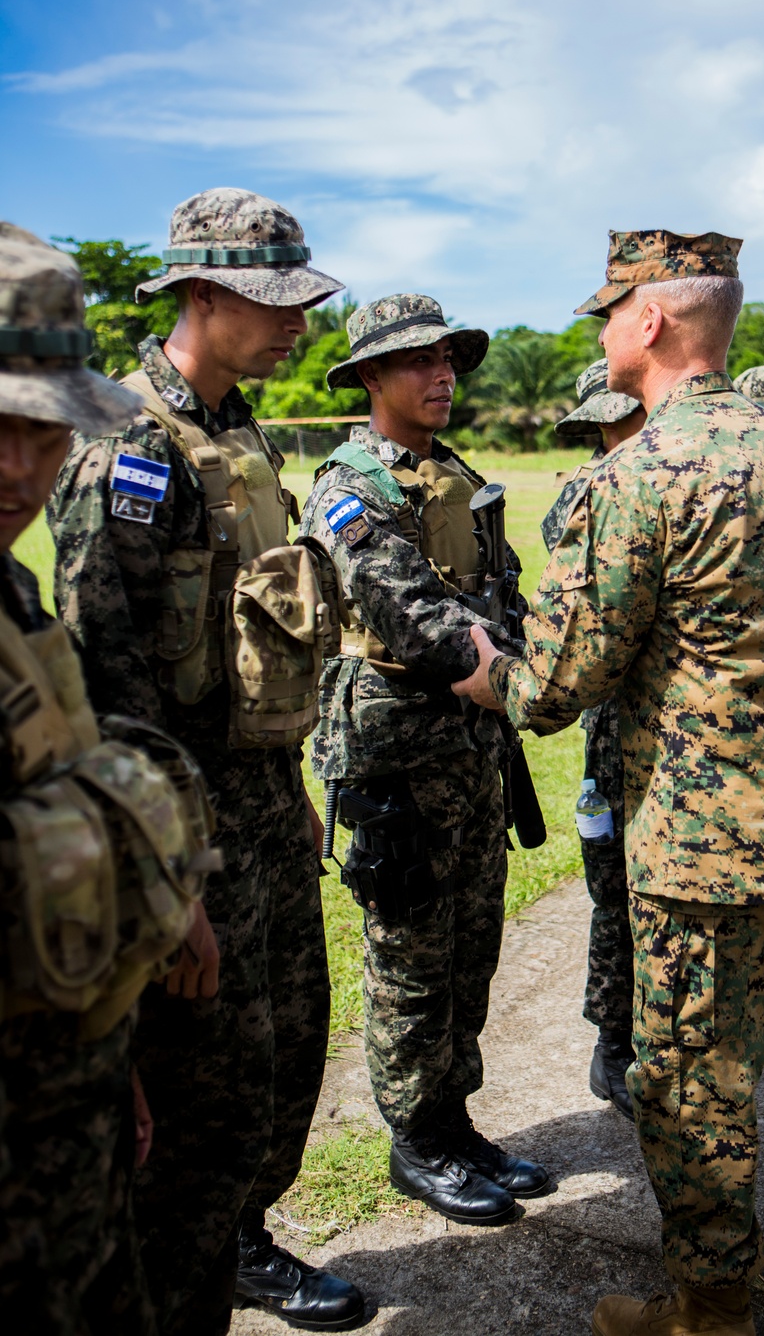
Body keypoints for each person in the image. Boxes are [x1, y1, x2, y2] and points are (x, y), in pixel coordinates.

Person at [455, 228, 764, 1336]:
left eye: (609, 312)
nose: (603, 332)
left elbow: (561, 684)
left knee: (692, 1083)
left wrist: (484, 676)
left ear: (649, 320)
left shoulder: (637, 475)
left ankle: (707, 1309)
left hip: (713, 846)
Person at [47, 189, 367, 1334]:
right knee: (198, 1099)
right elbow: (103, 675)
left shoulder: (240, 431)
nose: (297, 325)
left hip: (265, 802)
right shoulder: (130, 445)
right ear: (200, 293)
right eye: (274, 303)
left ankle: (238, 1241)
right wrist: (167, 875)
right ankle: (182, 1272)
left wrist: (298, 785)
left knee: (276, 1064)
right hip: (188, 829)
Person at [0, 225, 213, 1334]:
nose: (19, 469)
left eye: (43, 430)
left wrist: (106, 1054)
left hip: (64, 1146)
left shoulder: (14, 605)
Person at [299, 293, 549, 1226]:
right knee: (409, 951)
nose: (441, 375)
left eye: (448, 359)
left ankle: (455, 1117)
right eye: (417, 362)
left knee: (471, 939)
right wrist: (525, 677)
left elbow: (502, 588)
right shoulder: (352, 485)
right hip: (395, 747)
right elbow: (416, 616)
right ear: (371, 377)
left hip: (472, 745)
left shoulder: (455, 474)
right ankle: (416, 1141)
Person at [542, 358, 645, 1118]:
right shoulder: (588, 492)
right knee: (617, 890)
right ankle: (613, 1044)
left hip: (672, 727)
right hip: (617, 726)